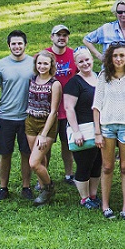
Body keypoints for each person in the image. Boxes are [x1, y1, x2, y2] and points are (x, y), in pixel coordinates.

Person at [93, 42, 125, 219]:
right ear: (110, 57)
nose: (118, 59)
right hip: (107, 125)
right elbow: (96, 106)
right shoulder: (103, 76)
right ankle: (106, 206)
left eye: (122, 55)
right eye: (115, 56)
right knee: (107, 167)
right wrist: (97, 132)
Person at [0, 30, 34, 201]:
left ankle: (26, 187)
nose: (17, 46)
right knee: (5, 153)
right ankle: (3, 188)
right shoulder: (0, 65)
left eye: (20, 43)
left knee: (26, 153)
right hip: (5, 116)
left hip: (27, 117)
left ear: (25, 45)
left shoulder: (33, 63)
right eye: (13, 44)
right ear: (9, 45)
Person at [64, 48, 102, 210]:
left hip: (99, 129)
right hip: (82, 129)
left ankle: (93, 195)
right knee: (84, 164)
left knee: (97, 163)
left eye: (87, 60)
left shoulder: (100, 77)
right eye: (81, 61)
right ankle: (84, 198)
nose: (85, 63)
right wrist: (76, 131)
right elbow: (69, 108)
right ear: (76, 64)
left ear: (92, 59)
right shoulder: (74, 83)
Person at [25, 50, 63, 205]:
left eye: (45, 63)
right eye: (39, 63)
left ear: (51, 65)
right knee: (42, 160)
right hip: (30, 122)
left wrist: (44, 134)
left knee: (33, 162)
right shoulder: (32, 80)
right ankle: (42, 190)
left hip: (47, 124)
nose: (42, 66)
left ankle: (48, 188)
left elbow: (54, 111)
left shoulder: (55, 84)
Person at [46, 24, 78, 187]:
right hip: (48, 110)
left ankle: (69, 174)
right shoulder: (44, 55)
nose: (61, 37)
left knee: (68, 144)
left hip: (68, 110)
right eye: (58, 35)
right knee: (47, 144)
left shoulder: (74, 55)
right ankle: (44, 176)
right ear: (52, 37)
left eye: (65, 35)